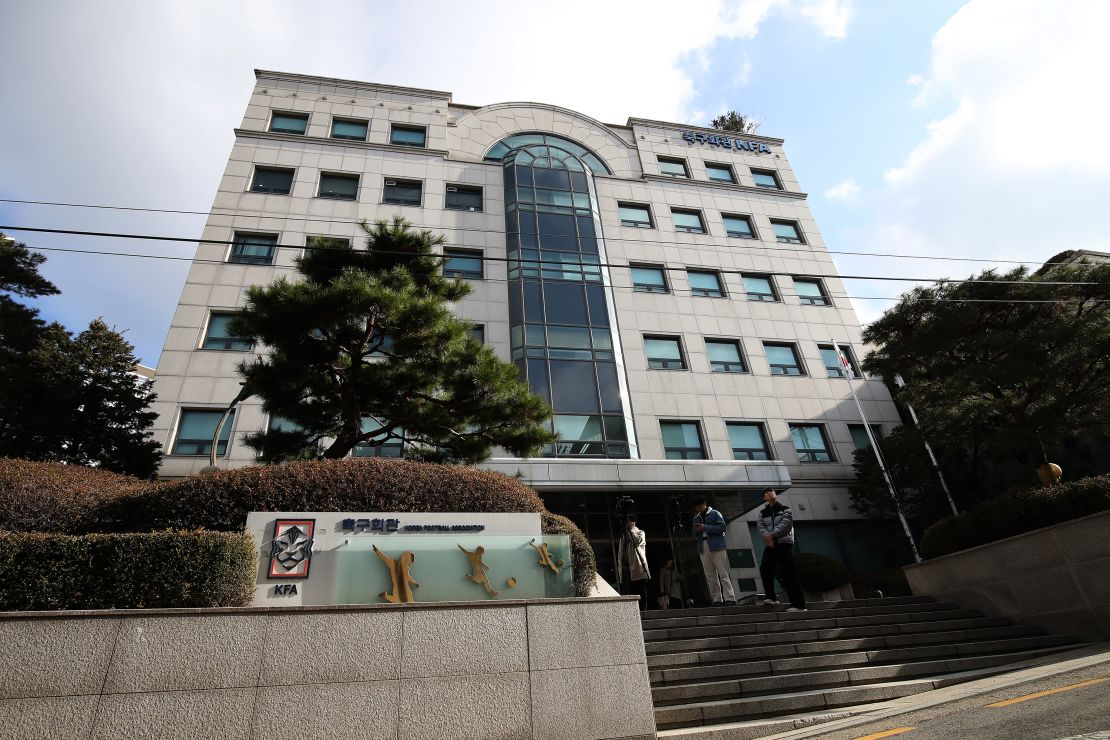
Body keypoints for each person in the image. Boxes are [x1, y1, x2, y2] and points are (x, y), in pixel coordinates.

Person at [756, 487, 806, 611]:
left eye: (771, 491)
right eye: (766, 492)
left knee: (789, 573)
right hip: (771, 545)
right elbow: (761, 527)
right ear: (764, 498)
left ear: (775, 494)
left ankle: (799, 605)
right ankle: (772, 597)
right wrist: (769, 539)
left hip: (784, 543)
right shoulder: (762, 513)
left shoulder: (785, 509)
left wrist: (771, 536)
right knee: (765, 568)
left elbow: (786, 525)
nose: (769, 493)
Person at [692, 496, 736, 606]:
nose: (699, 508)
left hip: (717, 545)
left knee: (723, 573)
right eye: (697, 507)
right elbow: (694, 535)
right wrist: (696, 530)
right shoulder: (696, 518)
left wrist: (705, 527)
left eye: (700, 506)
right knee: (710, 576)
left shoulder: (715, 513)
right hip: (703, 546)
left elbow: (722, 527)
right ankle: (717, 600)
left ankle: (730, 598)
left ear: (704, 503)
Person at [615, 514, 650, 611]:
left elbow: (636, 541)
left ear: (633, 522)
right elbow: (620, 555)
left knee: (640, 592)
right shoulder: (623, 537)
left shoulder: (640, 532)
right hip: (626, 569)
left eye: (629, 521)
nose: (627, 524)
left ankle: (643, 611)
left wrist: (631, 530)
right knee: (629, 593)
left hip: (638, 568)